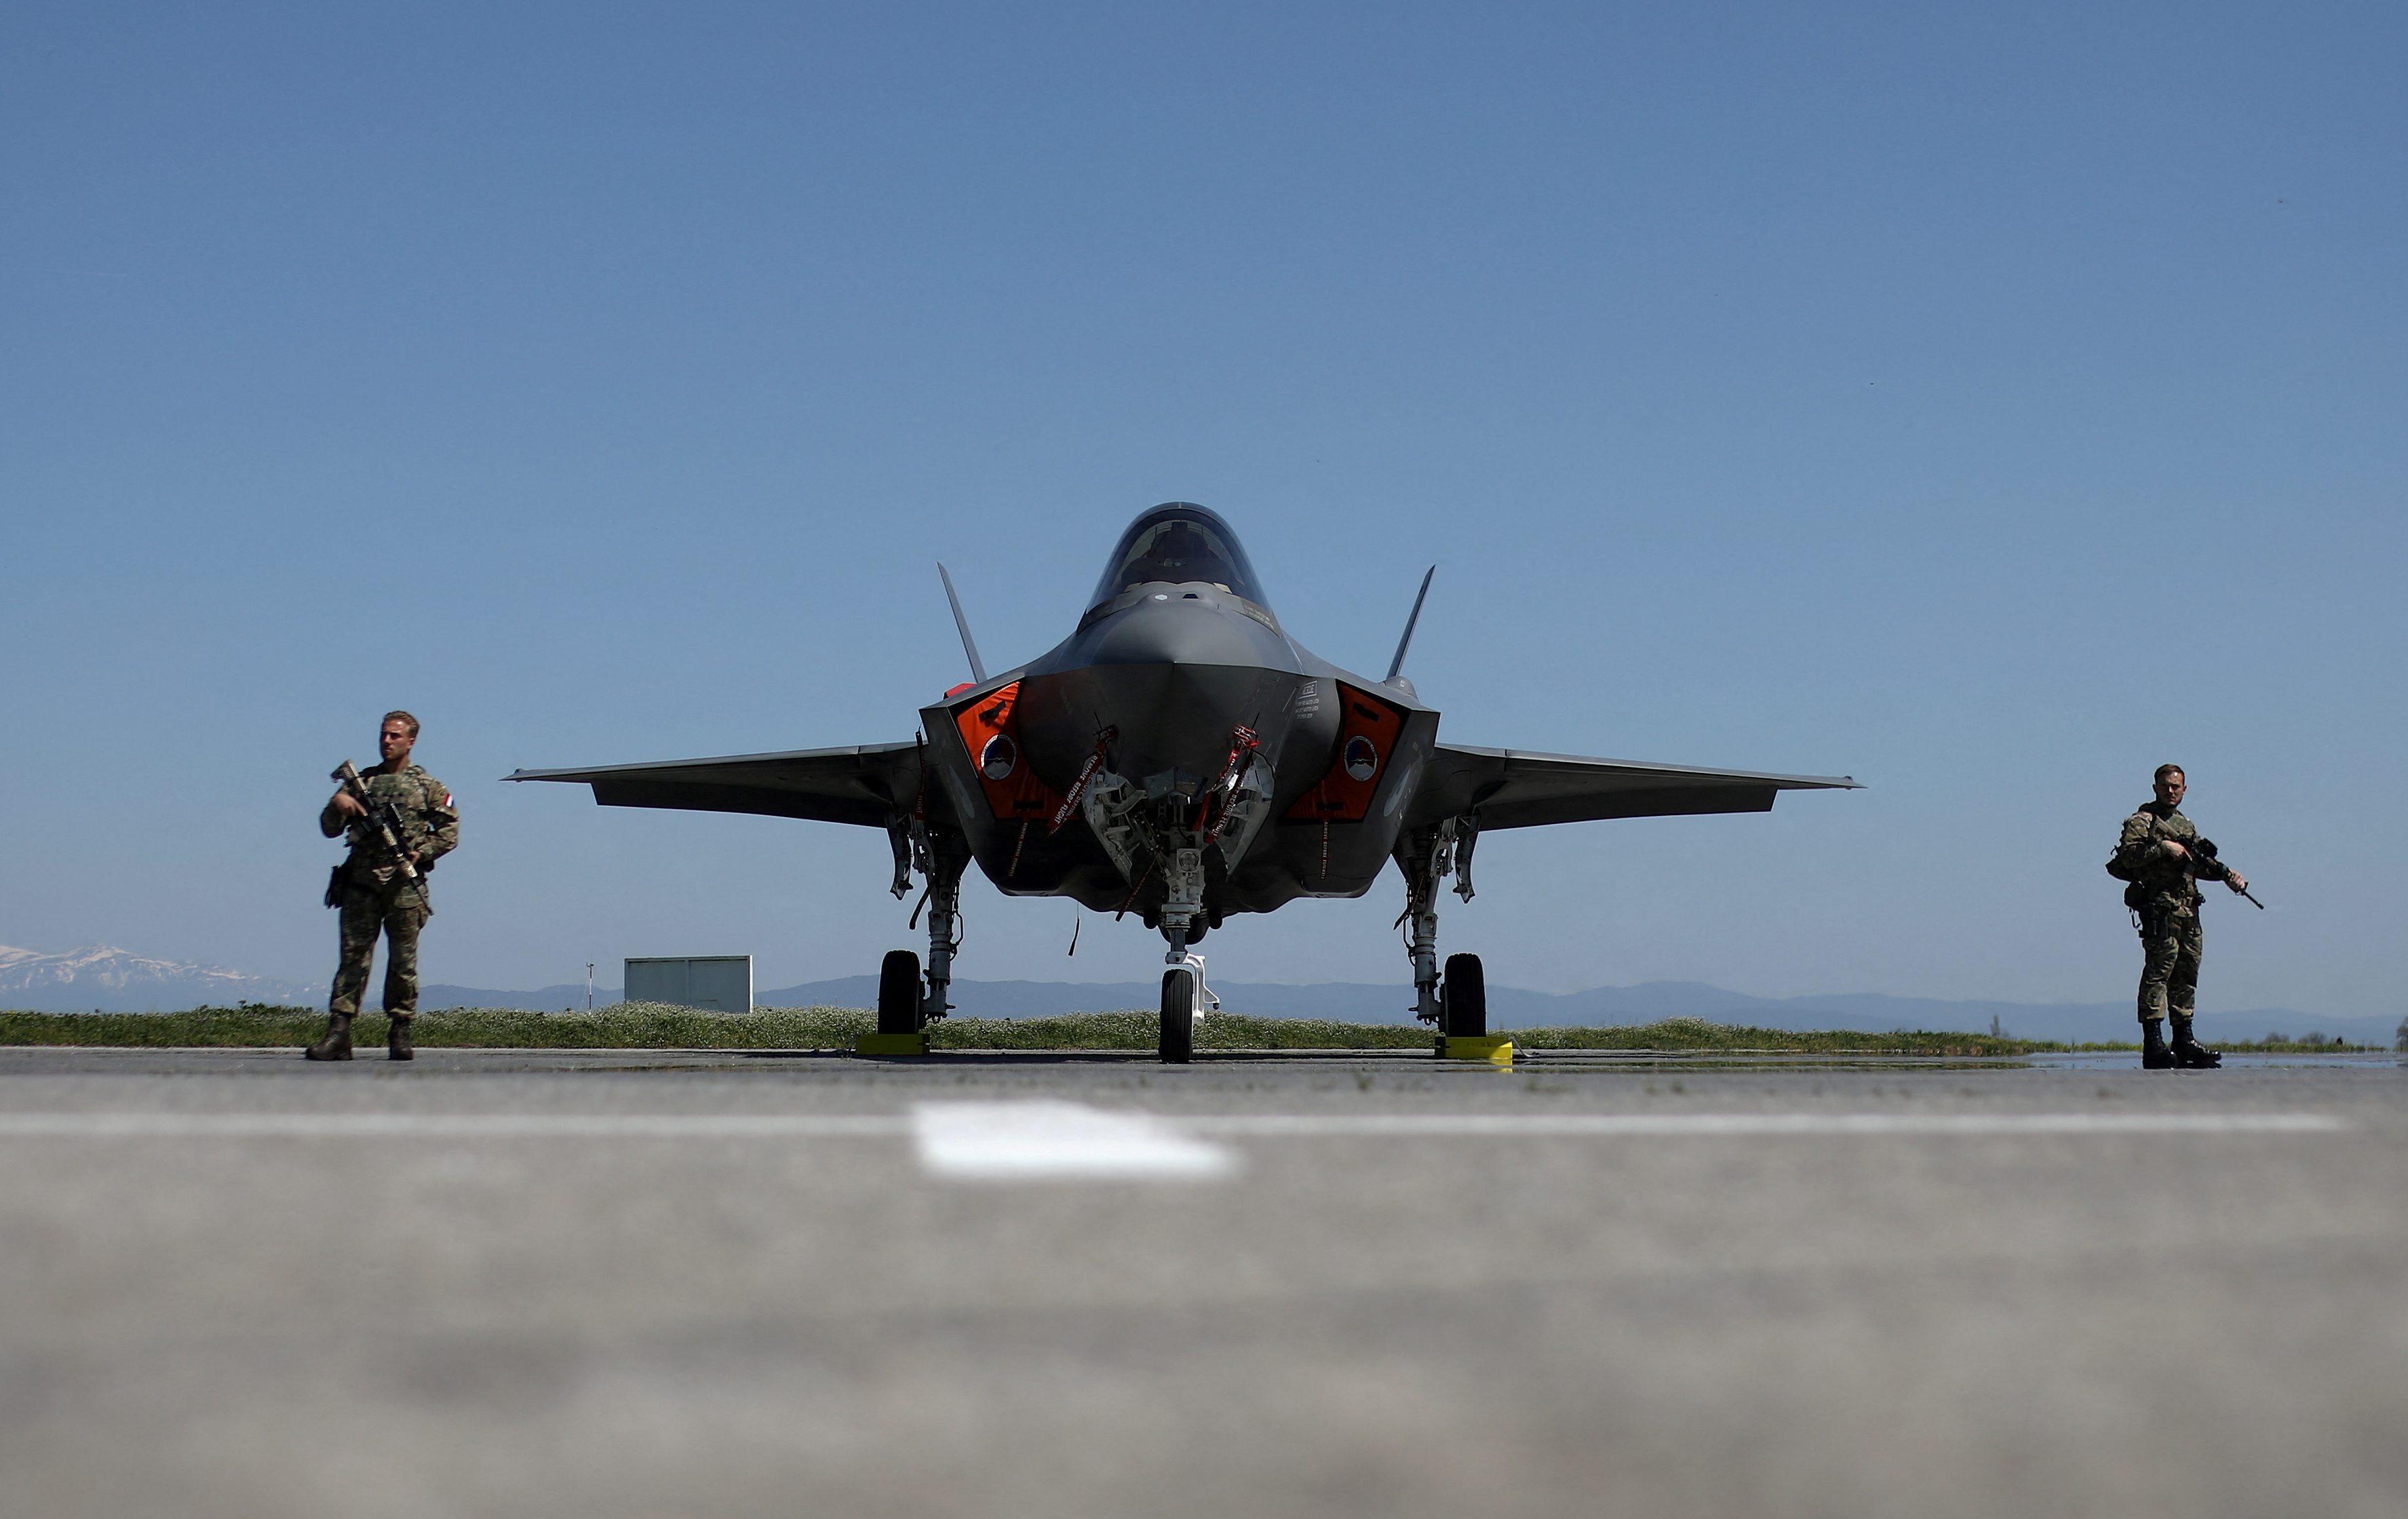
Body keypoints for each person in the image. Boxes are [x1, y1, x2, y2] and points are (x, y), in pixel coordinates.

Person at [308, 711, 459, 1061]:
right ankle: (339, 1032)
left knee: (403, 963)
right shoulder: (362, 782)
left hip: (403, 885)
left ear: (411, 742)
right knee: (353, 959)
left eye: (395, 736)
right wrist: (338, 805)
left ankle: (400, 1030)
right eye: (384, 735)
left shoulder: (428, 787)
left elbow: (450, 832)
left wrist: (421, 852)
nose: (387, 741)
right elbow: (330, 829)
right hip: (362, 883)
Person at [2110, 764, 2247, 1070]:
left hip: (2188, 909)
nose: (2170, 791)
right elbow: (2127, 858)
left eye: (2176, 786)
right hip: (2160, 908)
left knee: (2187, 973)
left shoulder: (2185, 824)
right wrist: (2163, 848)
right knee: (2159, 972)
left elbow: (2197, 865)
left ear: (2185, 790)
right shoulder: (2142, 821)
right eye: (2165, 786)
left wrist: (2228, 877)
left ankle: (2184, 1042)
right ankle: (2154, 1045)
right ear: (2155, 788)